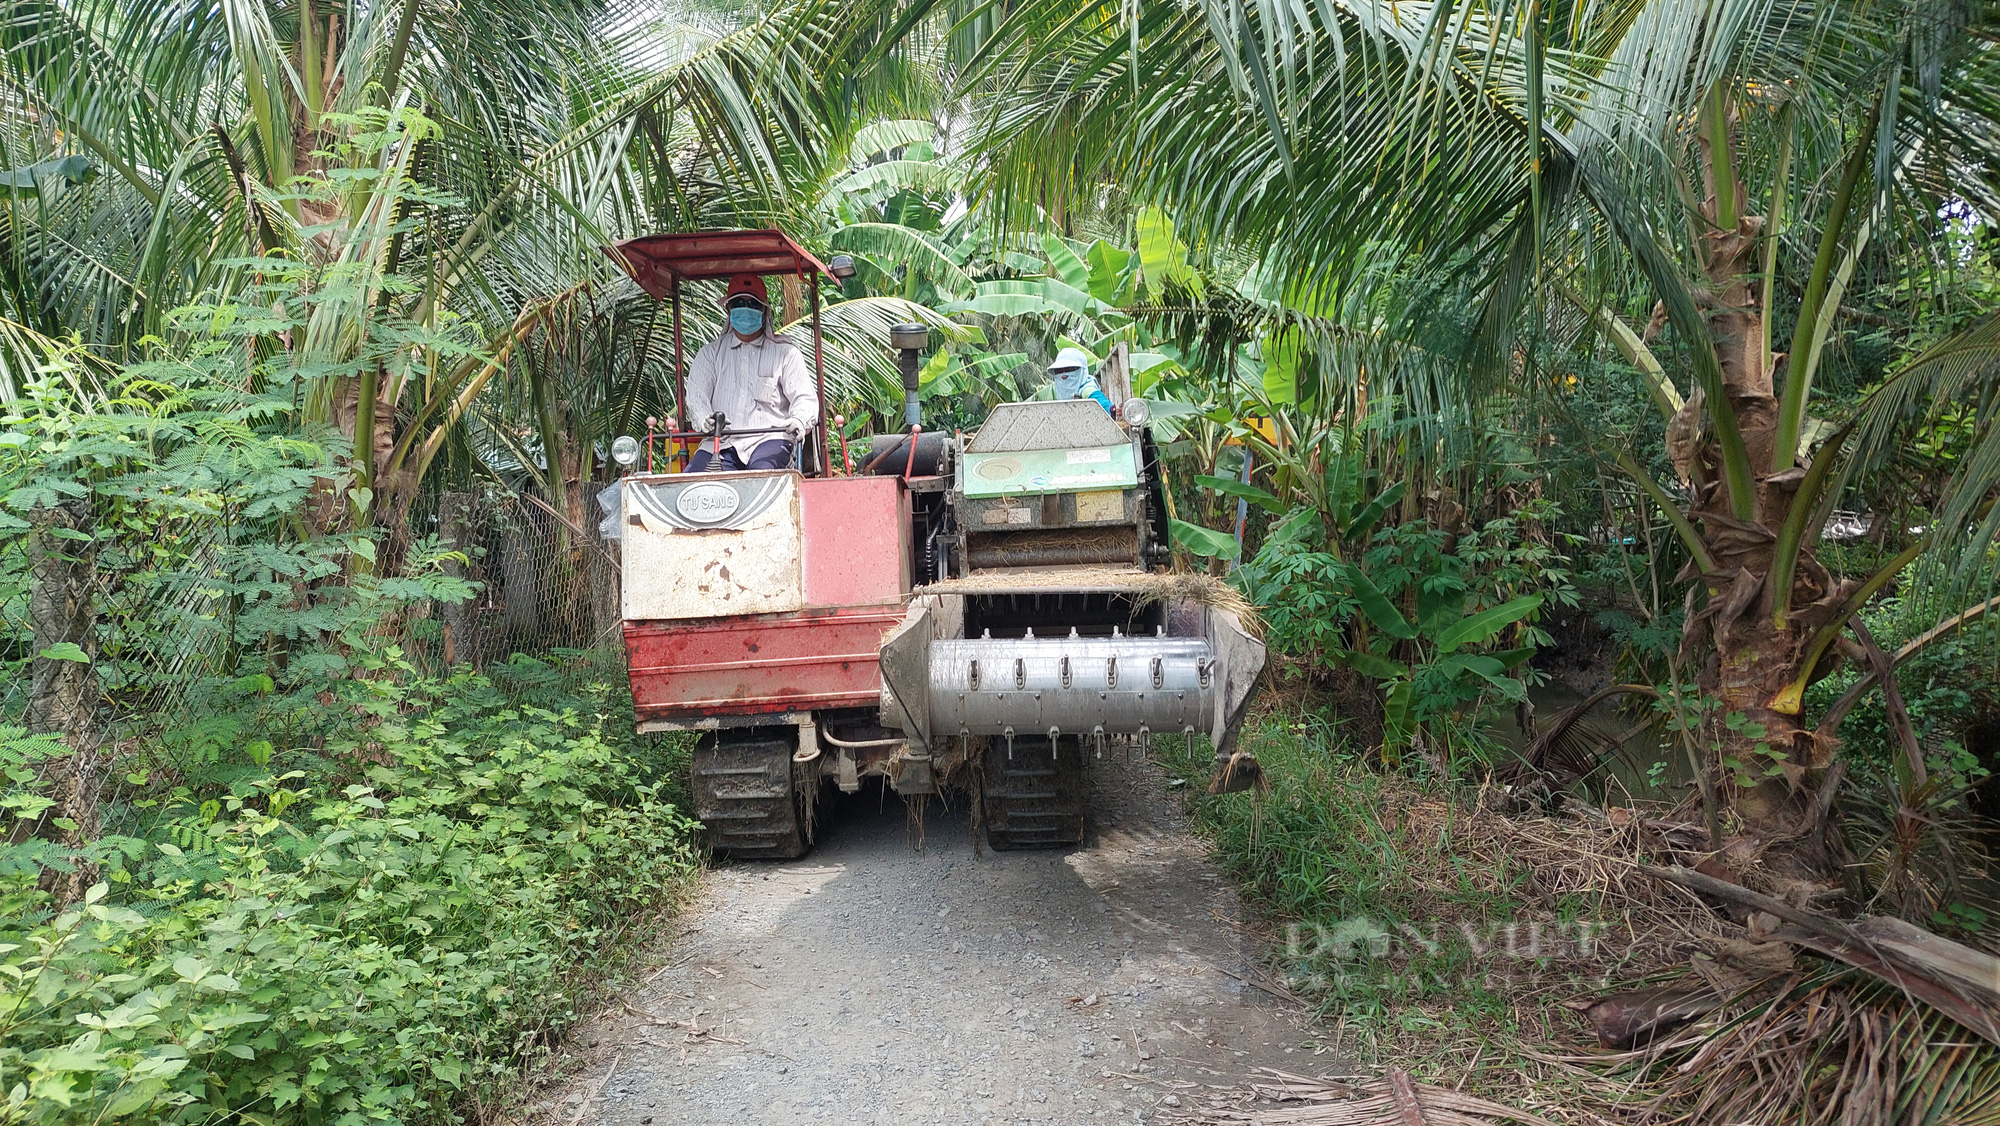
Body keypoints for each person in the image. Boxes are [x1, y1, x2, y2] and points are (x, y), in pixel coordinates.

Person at [682, 274, 819, 471]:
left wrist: (799, 419)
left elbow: (804, 398)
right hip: (720, 442)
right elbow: (696, 397)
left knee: (762, 476)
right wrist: (705, 419)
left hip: (770, 439)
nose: (745, 308)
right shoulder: (710, 354)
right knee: (695, 482)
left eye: (752, 303)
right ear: (728, 309)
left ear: (764, 310)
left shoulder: (786, 354)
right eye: (739, 303)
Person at [1048, 346, 1114, 415]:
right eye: (1059, 370)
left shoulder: (1087, 391)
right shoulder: (1059, 394)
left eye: (1070, 369)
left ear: (1083, 371)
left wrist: (1112, 410)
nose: (1064, 375)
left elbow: (1106, 407)